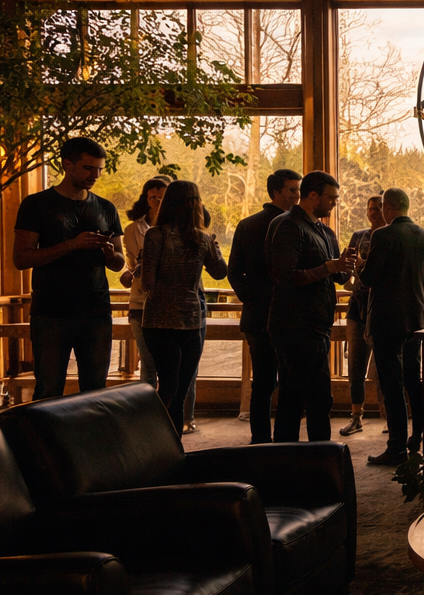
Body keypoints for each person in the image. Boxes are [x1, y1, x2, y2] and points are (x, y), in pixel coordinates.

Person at [13, 136, 125, 400]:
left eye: (99, 169)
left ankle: (91, 441)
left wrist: (110, 253)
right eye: (88, 168)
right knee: (49, 390)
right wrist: (71, 245)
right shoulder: (36, 204)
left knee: (96, 391)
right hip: (51, 313)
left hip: (97, 312)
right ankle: (45, 441)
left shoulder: (106, 208)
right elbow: (21, 259)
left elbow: (119, 263)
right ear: (67, 165)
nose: (95, 175)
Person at [266, 171, 357, 443]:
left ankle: (320, 457)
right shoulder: (288, 226)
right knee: (293, 399)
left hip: (318, 327)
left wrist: (344, 266)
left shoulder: (324, 230)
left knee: (321, 399)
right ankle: (286, 459)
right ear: (313, 195)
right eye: (332, 198)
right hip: (294, 326)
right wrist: (327, 267)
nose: (335, 203)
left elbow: (336, 276)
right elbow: (284, 276)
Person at [137, 181, 226, 435]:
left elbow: (147, 283)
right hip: (192, 319)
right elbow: (220, 273)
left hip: (158, 319)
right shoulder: (203, 238)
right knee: (181, 389)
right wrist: (213, 250)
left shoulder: (156, 235)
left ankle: (162, 441)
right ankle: (174, 444)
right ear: (197, 204)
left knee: (167, 386)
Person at [360, 187, 424, 466]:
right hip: (417, 319)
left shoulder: (382, 235)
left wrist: (360, 266)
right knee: (412, 381)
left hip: (387, 320)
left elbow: (369, 278)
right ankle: (418, 437)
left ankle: (396, 448)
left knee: (391, 385)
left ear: (388, 207)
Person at [227, 169, 302, 444]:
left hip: (257, 315)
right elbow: (234, 270)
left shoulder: (248, 225)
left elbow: (234, 271)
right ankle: (284, 440)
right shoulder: (294, 225)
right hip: (285, 315)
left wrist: (252, 298)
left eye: (298, 190)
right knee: (286, 382)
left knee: (263, 382)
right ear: (276, 193)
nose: (297, 195)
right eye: (292, 190)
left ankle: (260, 440)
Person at [121, 176, 196, 429]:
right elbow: (138, 267)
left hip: (180, 306)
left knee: (185, 367)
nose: (157, 200)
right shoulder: (135, 230)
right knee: (149, 364)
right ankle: (149, 421)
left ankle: (185, 419)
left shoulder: (192, 233)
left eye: (162, 196)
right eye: (151, 195)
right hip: (143, 304)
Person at [339, 195, 386, 437]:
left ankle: (388, 417)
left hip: (382, 308)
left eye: (377, 208)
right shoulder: (359, 236)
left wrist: (361, 266)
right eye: (369, 209)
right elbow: (347, 264)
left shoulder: (390, 237)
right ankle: (356, 416)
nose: (373, 212)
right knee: (355, 364)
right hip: (357, 305)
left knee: (383, 368)